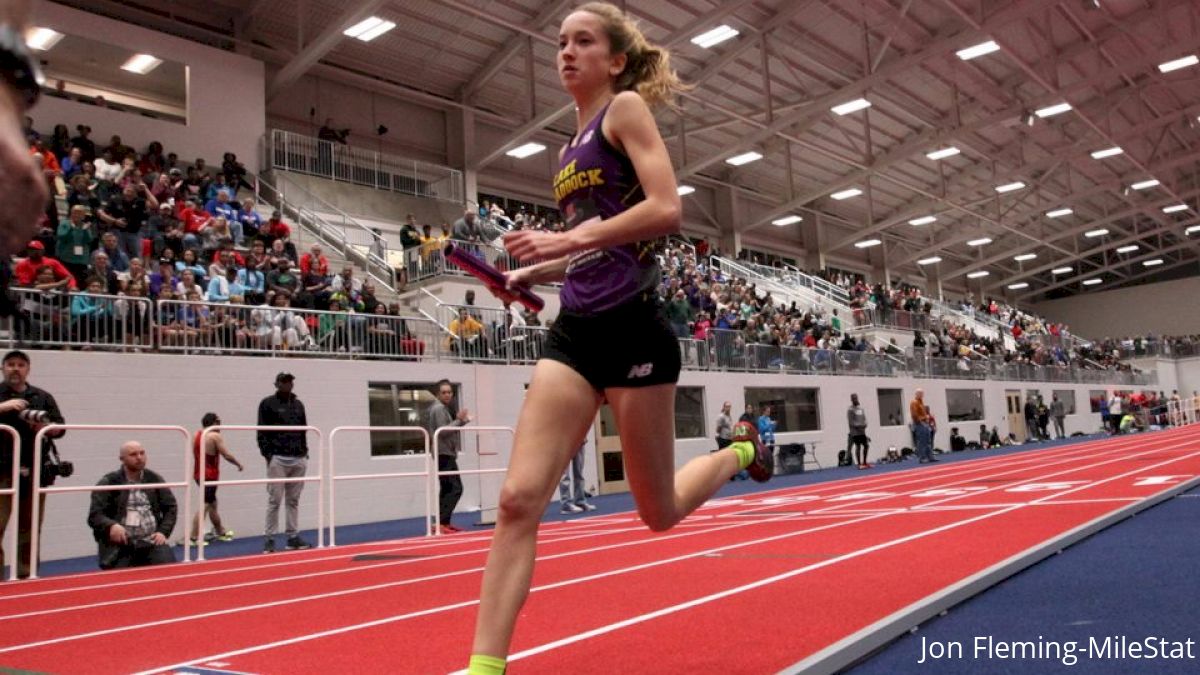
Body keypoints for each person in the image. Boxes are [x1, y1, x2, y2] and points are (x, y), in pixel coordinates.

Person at [466, 6, 771, 673]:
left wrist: (564, 239)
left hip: (635, 327)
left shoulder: (624, 110)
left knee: (656, 511)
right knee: (519, 499)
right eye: (560, 44)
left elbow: (666, 209)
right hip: (575, 332)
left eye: (583, 42)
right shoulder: (566, 148)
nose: (566, 53)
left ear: (616, 61)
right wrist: (529, 269)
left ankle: (742, 448)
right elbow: (589, 249)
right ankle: (486, 665)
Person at [0, 350, 66, 578]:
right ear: (3, 368)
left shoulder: (42, 397)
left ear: (28, 369)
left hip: (34, 469)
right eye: (10, 364)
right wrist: (4, 408)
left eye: (20, 365)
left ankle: (26, 576)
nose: (15, 369)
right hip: (2, 471)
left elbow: (60, 428)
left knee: (29, 528)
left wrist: (46, 428)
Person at [87, 441, 177, 570]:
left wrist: (163, 532)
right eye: (133, 454)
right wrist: (110, 525)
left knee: (170, 575)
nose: (139, 457)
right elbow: (94, 515)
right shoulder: (108, 482)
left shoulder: (154, 479)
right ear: (122, 459)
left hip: (151, 542)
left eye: (142, 453)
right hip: (121, 546)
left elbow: (171, 507)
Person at [257, 372, 311, 553]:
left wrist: (305, 452)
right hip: (278, 459)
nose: (289, 384)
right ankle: (270, 538)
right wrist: (268, 456)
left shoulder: (298, 405)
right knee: (275, 500)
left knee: (293, 500)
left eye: (291, 381)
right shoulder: (267, 404)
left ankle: (292, 537)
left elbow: (304, 429)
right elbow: (261, 432)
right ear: (277, 384)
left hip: (298, 457)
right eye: (285, 381)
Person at [191, 412, 244, 544]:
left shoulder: (196, 435)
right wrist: (238, 464)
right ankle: (193, 536)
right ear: (213, 423)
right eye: (219, 422)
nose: (221, 425)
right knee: (206, 504)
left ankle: (220, 531)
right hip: (209, 475)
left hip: (198, 474)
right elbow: (226, 455)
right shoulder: (214, 436)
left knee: (213, 504)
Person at [426, 379, 471, 534]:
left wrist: (460, 422)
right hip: (443, 453)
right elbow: (444, 431)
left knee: (447, 488)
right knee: (455, 488)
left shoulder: (442, 408)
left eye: (450, 392)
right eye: (444, 392)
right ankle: (441, 522)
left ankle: (442, 523)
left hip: (445, 452)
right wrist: (460, 421)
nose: (447, 395)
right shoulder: (438, 409)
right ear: (438, 394)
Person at [558, 441, 595, 514]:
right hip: (565, 440)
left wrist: (583, 437)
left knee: (579, 474)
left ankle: (580, 501)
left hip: (579, 440)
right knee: (565, 475)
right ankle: (566, 504)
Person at [910, 388, 936, 463]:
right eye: (921, 394)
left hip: (925, 423)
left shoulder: (921, 402)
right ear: (917, 394)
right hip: (920, 423)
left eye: (922, 394)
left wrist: (927, 420)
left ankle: (930, 456)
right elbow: (914, 414)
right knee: (922, 441)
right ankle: (922, 458)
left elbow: (923, 413)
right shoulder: (914, 402)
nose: (922, 395)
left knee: (928, 440)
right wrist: (920, 421)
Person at [848, 393, 870, 469]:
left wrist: (865, 424)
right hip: (855, 432)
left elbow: (864, 418)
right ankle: (859, 464)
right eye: (853, 398)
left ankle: (864, 462)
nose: (855, 399)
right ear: (851, 400)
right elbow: (851, 422)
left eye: (856, 398)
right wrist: (859, 426)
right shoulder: (850, 410)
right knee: (858, 446)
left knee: (866, 445)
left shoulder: (860, 409)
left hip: (862, 431)